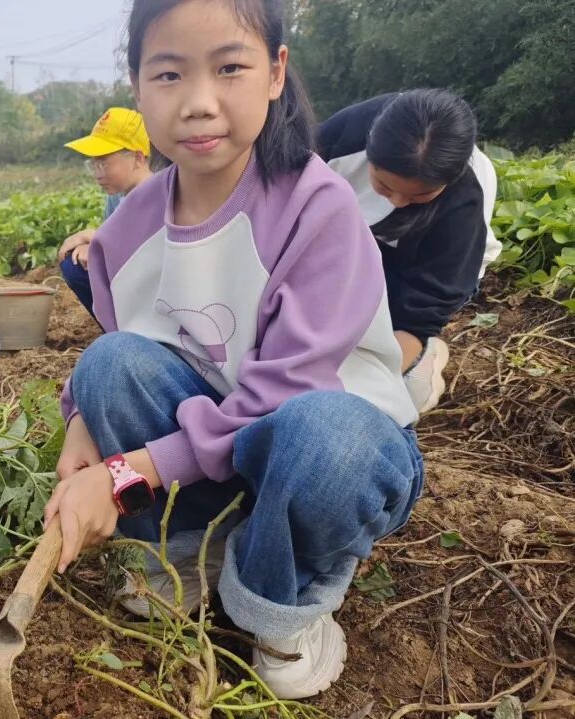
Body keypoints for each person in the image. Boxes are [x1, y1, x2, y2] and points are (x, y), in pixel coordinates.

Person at [43, 0, 423, 700]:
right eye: (168, 75)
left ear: (276, 73)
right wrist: (82, 425)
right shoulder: (131, 226)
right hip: (220, 442)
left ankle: (281, 603)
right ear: (136, 86)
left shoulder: (319, 208)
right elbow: (121, 342)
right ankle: (193, 550)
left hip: (335, 448)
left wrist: (124, 475)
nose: (198, 103)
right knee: (107, 366)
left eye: (229, 68)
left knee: (320, 432)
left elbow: (280, 395)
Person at [319, 90, 501, 413]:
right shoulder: (340, 139)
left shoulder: (463, 207)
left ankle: (430, 360)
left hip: (427, 271)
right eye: (385, 186)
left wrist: (356, 388)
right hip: (356, 243)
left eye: (419, 196)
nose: (398, 202)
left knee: (397, 393)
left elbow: (418, 315)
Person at [56, 108, 153, 317]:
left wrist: (93, 237)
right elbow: (114, 237)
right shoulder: (116, 197)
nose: (98, 174)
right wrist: (93, 245)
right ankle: (117, 328)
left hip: (155, 289)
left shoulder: (161, 192)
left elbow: (149, 249)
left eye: (104, 164)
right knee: (75, 265)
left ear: (137, 157)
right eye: (93, 165)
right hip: (130, 284)